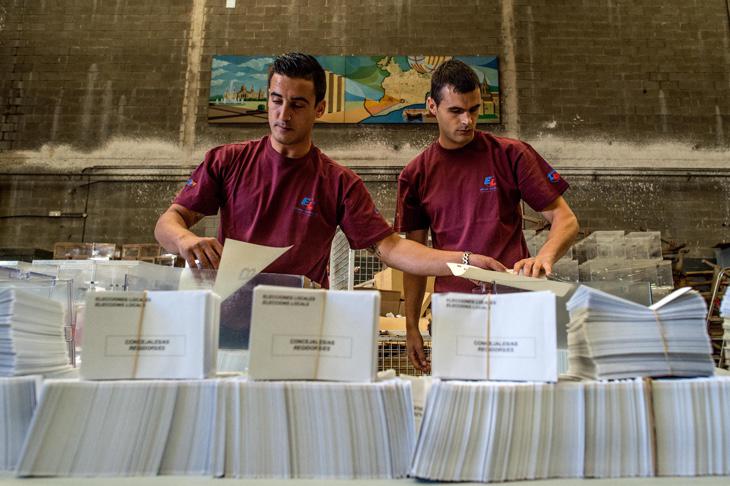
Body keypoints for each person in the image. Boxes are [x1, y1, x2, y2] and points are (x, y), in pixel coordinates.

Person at [155, 53, 505, 289]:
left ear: (320, 109)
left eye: (298, 104)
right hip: (227, 316)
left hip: (299, 325)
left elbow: (393, 249)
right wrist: (186, 240)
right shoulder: (227, 161)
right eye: (277, 101)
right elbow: (168, 223)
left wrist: (465, 260)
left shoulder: (338, 182)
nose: (283, 114)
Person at [395, 59, 579, 372]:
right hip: (455, 311)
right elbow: (413, 259)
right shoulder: (416, 174)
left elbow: (566, 220)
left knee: (523, 405)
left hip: (515, 306)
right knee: (462, 410)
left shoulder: (512, 155)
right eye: (456, 111)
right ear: (431, 106)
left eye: (475, 109)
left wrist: (543, 257)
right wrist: (411, 324)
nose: (467, 120)